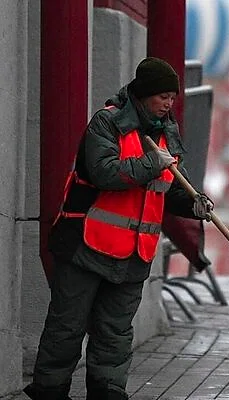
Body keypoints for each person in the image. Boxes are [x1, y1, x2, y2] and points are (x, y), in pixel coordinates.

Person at [24, 57, 214, 400]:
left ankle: (108, 391)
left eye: (173, 97)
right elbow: (104, 173)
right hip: (86, 244)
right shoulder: (107, 123)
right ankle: (49, 391)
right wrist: (149, 163)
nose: (169, 104)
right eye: (163, 97)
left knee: (115, 332)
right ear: (143, 94)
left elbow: (168, 189)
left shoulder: (167, 134)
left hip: (134, 253)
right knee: (67, 326)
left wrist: (192, 204)